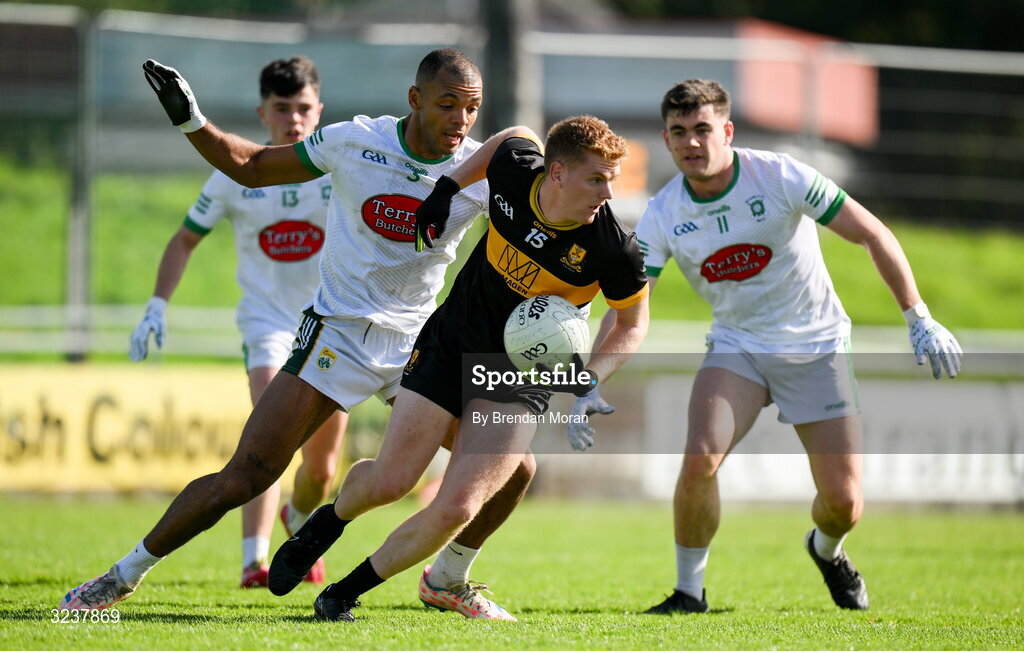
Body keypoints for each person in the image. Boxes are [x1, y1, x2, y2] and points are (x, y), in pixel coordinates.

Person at [59, 48, 535, 621]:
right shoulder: (355, 142)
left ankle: (449, 578)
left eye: (471, 108)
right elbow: (255, 166)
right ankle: (119, 577)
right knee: (248, 474)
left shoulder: (481, 174)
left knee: (515, 467)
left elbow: (531, 160)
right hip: (337, 333)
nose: (460, 121)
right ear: (414, 100)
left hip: (419, 345)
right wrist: (191, 120)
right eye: (447, 104)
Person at [577, 79, 962, 614]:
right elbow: (629, 315)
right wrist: (587, 380)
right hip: (738, 347)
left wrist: (917, 316)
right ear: (666, 141)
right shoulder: (663, 215)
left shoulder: (781, 175)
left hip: (818, 345)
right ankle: (690, 593)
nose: (692, 142)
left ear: (727, 131)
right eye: (679, 132)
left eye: (703, 129)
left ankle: (826, 551)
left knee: (844, 504)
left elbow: (872, 233)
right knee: (698, 460)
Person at [267, 115, 650, 623]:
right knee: (391, 480)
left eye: (611, 180)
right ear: (555, 173)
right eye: (596, 178)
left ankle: (343, 592)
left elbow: (631, 322)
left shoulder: (611, 248)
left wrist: (588, 380)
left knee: (457, 506)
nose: (607, 193)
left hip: (518, 379)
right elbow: (506, 140)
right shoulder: (519, 170)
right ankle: (326, 524)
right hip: (450, 344)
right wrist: (447, 187)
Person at [129, 55, 344, 589]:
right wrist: (157, 303)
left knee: (320, 472)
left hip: (333, 327)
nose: (293, 120)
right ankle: (255, 559)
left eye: (303, 109)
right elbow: (184, 239)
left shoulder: (340, 168)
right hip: (267, 325)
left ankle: (297, 518)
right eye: (281, 109)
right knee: (267, 439)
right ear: (262, 112)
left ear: (319, 111)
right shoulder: (233, 174)